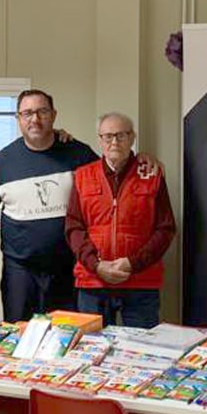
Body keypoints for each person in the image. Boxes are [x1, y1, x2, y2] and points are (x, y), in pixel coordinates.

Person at [0, 90, 100, 321]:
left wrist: (142, 160)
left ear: (54, 115)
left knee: (68, 339)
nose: (35, 119)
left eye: (42, 111)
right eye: (27, 113)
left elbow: (110, 180)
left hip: (67, 269)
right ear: (18, 118)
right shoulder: (0, 162)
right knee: (18, 338)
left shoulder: (78, 154)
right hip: (20, 272)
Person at [65, 112, 175, 328]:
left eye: (121, 136)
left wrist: (133, 263)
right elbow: (74, 227)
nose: (114, 142)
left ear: (132, 138)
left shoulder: (152, 175)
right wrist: (96, 265)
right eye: (108, 136)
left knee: (143, 349)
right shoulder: (83, 175)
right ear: (100, 140)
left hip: (140, 282)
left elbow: (165, 229)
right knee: (91, 348)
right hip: (93, 282)